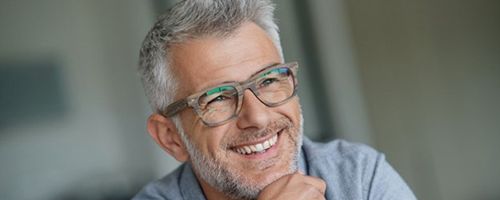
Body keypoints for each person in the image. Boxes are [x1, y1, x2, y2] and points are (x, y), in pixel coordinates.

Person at [133, 0, 416, 199]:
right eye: (217, 97)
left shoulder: (358, 177)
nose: (258, 117)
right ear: (171, 137)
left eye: (268, 80)